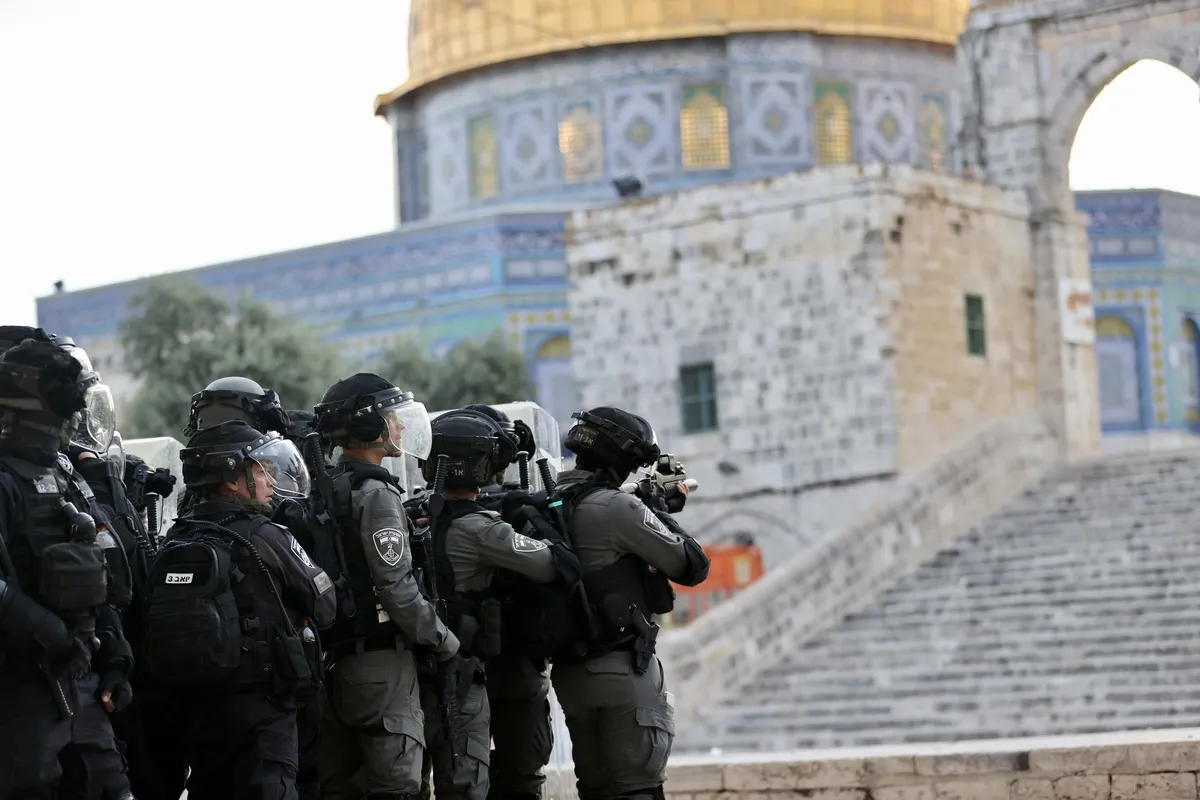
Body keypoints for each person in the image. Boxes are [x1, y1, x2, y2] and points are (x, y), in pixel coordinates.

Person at [139, 420, 337, 800]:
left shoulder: (175, 538)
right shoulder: (266, 535)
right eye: (260, 471)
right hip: (263, 713)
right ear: (232, 479)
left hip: (197, 712)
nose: (269, 481)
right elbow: (326, 606)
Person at [548, 408, 711, 800]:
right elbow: (691, 565)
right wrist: (657, 510)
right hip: (621, 669)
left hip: (571, 673)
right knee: (639, 789)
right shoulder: (616, 507)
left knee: (597, 790)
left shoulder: (551, 502)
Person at [0, 332, 134, 800]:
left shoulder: (63, 474)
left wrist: (115, 656)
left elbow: (97, 567)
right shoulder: (5, 480)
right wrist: (51, 635)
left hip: (81, 684)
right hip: (20, 692)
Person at [313, 373, 458, 800]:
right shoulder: (376, 492)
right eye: (391, 418)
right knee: (397, 786)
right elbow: (396, 587)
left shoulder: (328, 487)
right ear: (369, 426)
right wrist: (445, 641)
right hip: (380, 668)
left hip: (336, 662)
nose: (399, 426)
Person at [415, 411, 562, 800]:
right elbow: (551, 565)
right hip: (470, 670)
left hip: (428, 668)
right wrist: (535, 518)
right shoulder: (481, 527)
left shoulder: (417, 513)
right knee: (473, 783)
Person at [456, 405, 556, 800]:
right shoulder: (504, 509)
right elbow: (554, 565)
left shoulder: (455, 509)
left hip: (486, 661)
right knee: (519, 775)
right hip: (505, 664)